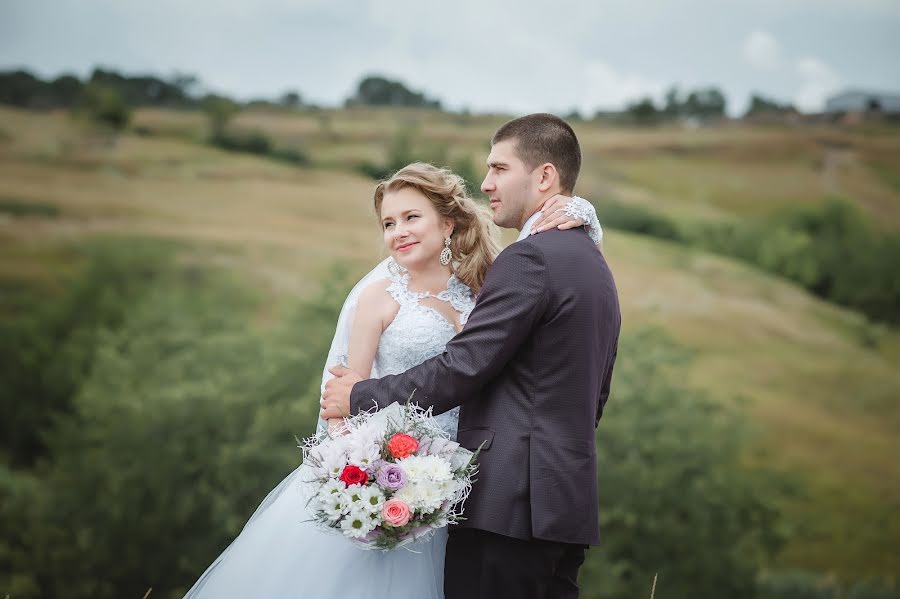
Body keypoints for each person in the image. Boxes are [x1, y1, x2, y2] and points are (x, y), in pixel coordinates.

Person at [182, 158, 603, 599]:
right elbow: (341, 400)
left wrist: (585, 214)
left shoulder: (486, 286)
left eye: (411, 217)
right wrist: (365, 472)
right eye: (388, 223)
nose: (398, 231)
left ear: (448, 224)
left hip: (461, 487)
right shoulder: (378, 298)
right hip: (389, 479)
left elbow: (538, 284)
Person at [322, 113, 621, 599]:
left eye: (500, 169)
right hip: (565, 503)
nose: (486, 183)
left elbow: (461, 367)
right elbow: (597, 391)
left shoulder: (530, 260)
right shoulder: (594, 263)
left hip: (509, 508)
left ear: (544, 176)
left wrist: (360, 395)